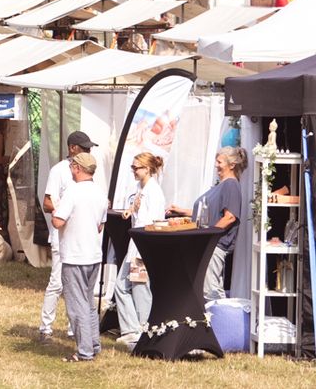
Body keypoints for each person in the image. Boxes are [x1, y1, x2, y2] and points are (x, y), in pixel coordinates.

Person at [167, 145, 247, 302]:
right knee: (205, 288)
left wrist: (208, 235)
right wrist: (181, 211)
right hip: (209, 243)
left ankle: (223, 323)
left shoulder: (231, 185)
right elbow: (207, 213)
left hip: (215, 245)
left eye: (220, 162)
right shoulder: (222, 185)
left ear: (231, 165)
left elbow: (230, 217)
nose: (216, 165)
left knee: (210, 290)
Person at [39, 130, 97, 342]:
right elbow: (47, 202)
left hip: (82, 238)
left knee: (80, 287)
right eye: (85, 148)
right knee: (57, 283)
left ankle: (76, 328)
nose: (89, 151)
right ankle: (46, 327)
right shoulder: (59, 171)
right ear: (72, 148)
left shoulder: (87, 171)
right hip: (62, 237)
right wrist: (61, 211)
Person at [52, 152, 108, 363]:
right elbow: (100, 225)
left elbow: (58, 221)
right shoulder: (100, 193)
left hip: (75, 255)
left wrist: (56, 210)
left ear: (77, 168)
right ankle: (93, 344)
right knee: (88, 303)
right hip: (93, 255)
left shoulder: (73, 192)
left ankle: (85, 351)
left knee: (77, 307)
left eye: (71, 166)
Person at [114, 152, 166, 347]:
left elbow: (153, 222)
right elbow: (137, 210)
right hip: (135, 246)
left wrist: (144, 249)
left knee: (139, 288)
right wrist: (131, 210)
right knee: (127, 286)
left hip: (143, 247)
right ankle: (134, 329)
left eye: (136, 168)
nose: (134, 171)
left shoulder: (154, 192)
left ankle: (143, 329)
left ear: (147, 168)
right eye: (132, 168)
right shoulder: (140, 188)